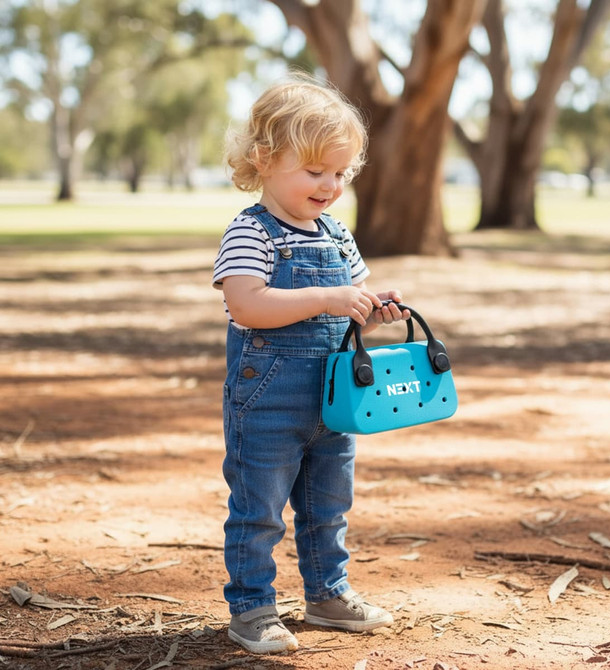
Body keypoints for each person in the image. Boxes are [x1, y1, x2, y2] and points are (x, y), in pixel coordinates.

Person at [212, 73, 409, 655]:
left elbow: (348, 309)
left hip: (334, 396)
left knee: (328, 504)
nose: (330, 185)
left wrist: (375, 311)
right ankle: (251, 608)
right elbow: (246, 304)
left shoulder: (337, 235)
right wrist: (327, 297)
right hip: (268, 397)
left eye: (340, 173)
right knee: (259, 508)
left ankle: (327, 593)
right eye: (315, 170)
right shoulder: (252, 232)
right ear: (265, 160)